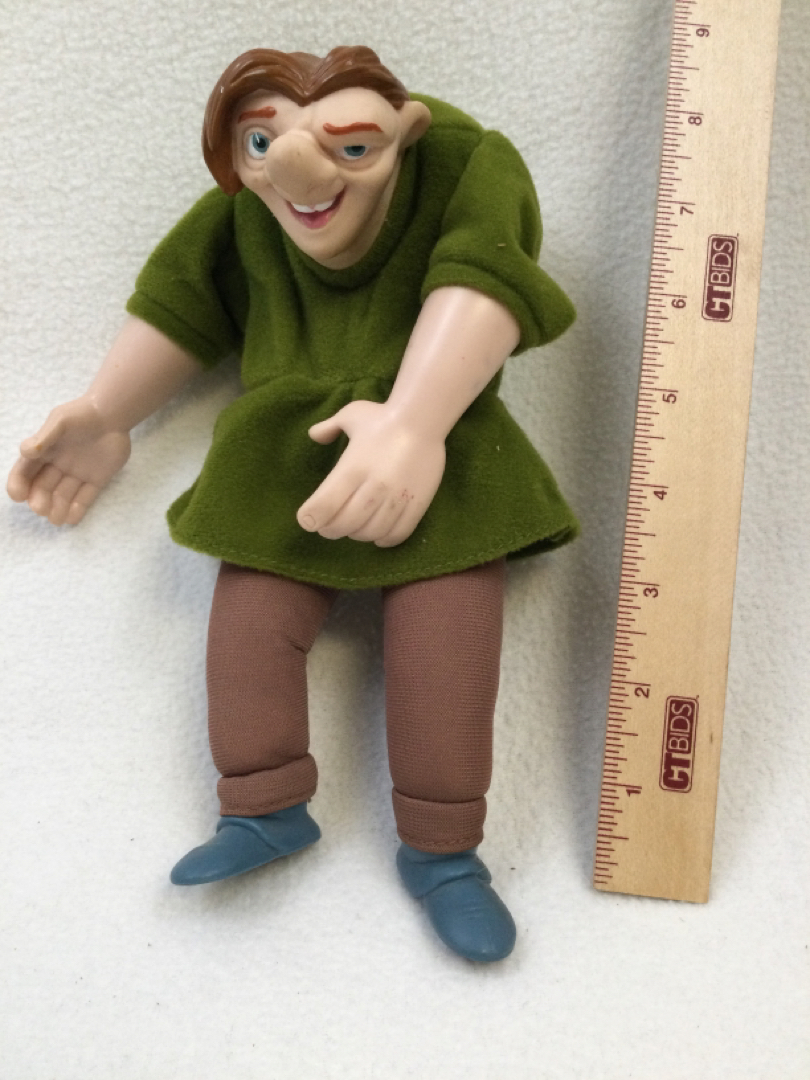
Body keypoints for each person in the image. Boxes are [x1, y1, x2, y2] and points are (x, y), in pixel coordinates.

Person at [6, 46, 577, 962]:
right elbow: (185, 303)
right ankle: (263, 805)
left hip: (445, 457)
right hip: (286, 463)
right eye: (262, 143)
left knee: (446, 656)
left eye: (352, 147)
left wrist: (415, 422)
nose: (297, 176)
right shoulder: (250, 206)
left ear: (405, 132)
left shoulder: (464, 161)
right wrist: (107, 412)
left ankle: (444, 853)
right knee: (247, 635)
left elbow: (485, 277)